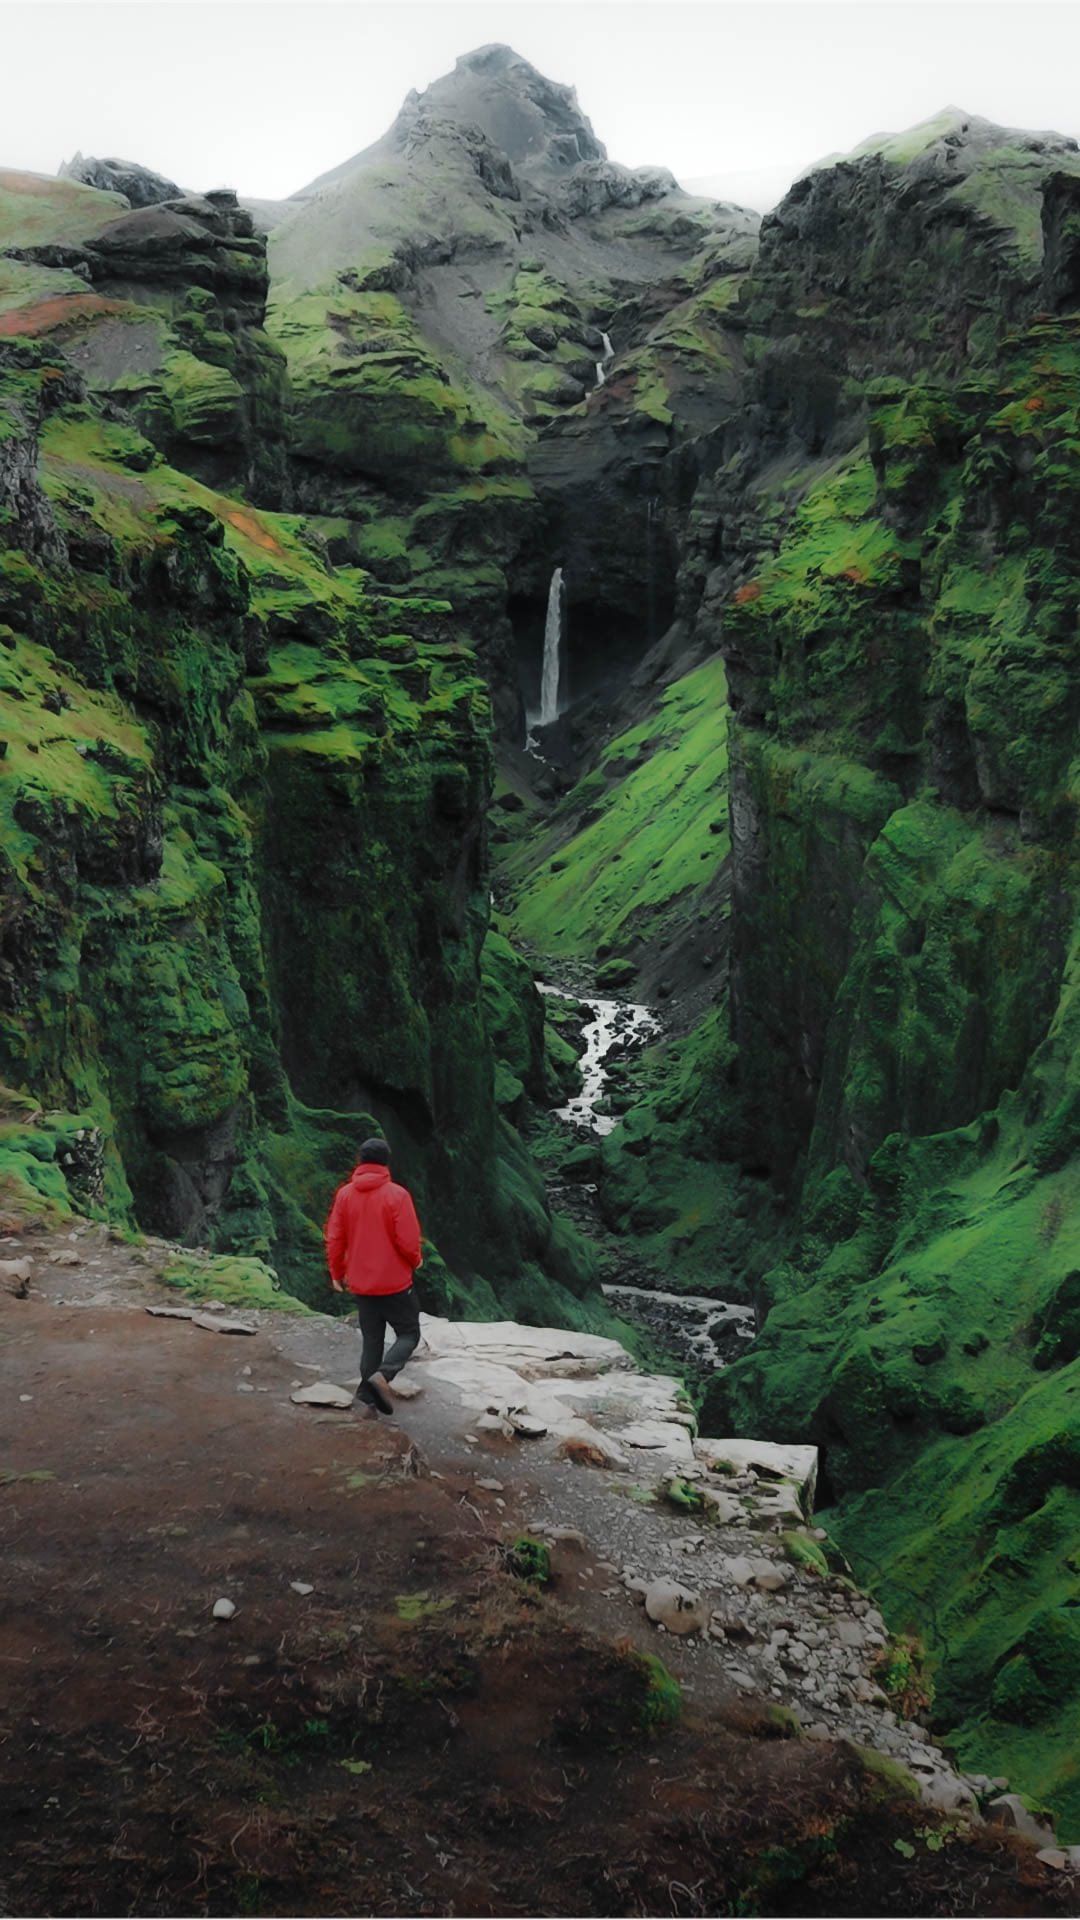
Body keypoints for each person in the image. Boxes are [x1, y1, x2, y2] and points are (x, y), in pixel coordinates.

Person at [324, 1137, 423, 1416]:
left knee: (372, 1339)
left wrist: (336, 1272)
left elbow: (335, 1237)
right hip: (394, 1283)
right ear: (385, 1162)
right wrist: (416, 1260)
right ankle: (383, 1376)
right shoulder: (397, 1195)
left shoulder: (345, 1195)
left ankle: (367, 1402)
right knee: (409, 1334)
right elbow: (408, 1240)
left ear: (361, 1161)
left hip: (362, 1283)